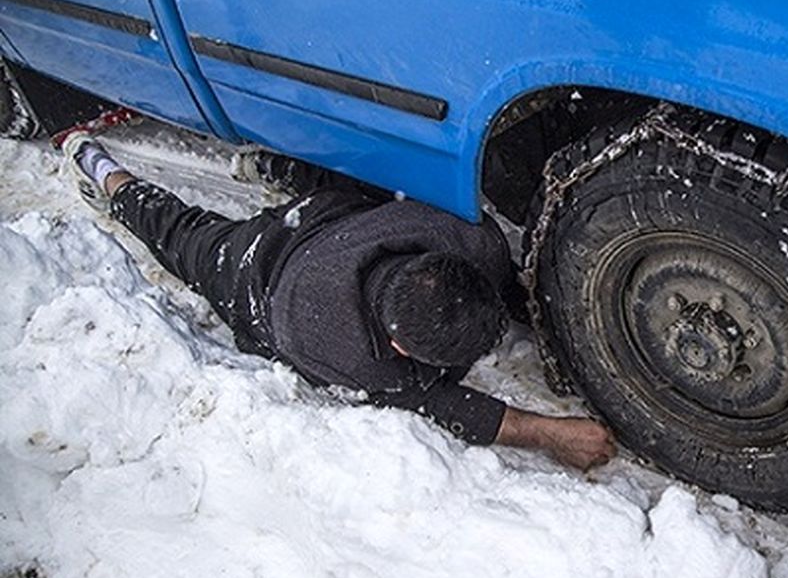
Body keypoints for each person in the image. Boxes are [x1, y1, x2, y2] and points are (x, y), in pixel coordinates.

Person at [60, 132, 617, 470]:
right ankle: (105, 174)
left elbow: (513, 285)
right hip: (262, 269)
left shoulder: (466, 242)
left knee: (361, 180)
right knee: (181, 234)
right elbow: (444, 408)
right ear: (399, 347)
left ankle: (278, 167)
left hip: (337, 216)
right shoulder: (342, 346)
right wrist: (549, 433)